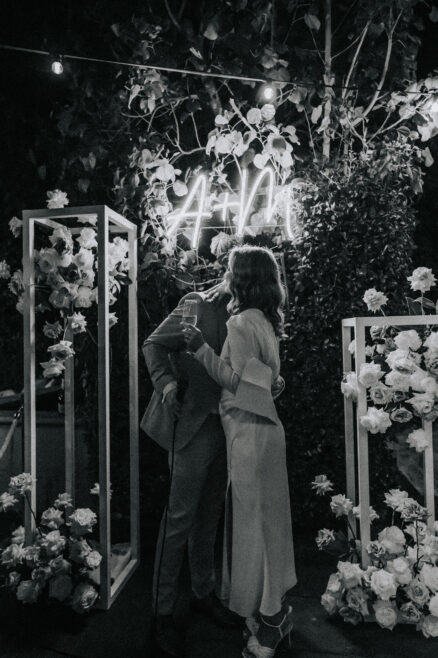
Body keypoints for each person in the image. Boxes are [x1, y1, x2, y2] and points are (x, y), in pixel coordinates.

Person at [182, 245, 296, 658]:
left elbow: (240, 384)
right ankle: (269, 610)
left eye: (230, 271)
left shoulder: (241, 322)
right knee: (265, 523)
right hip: (262, 431)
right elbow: (265, 381)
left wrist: (200, 348)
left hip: (250, 433)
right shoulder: (264, 320)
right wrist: (273, 384)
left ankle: (273, 620)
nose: (225, 278)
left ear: (242, 279)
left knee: (256, 527)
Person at [141, 287, 240, 657]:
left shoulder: (249, 310)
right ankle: (162, 613)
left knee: (210, 515)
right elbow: (153, 344)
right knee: (178, 520)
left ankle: (203, 592)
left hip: (228, 428)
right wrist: (167, 385)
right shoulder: (197, 303)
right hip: (192, 426)